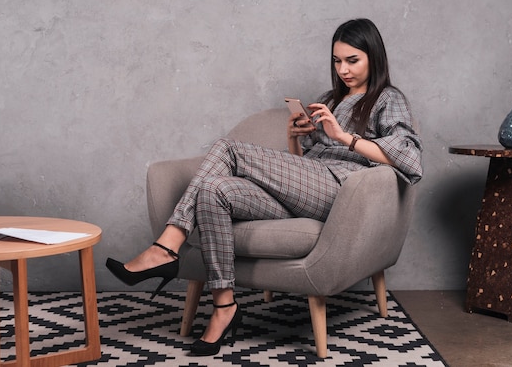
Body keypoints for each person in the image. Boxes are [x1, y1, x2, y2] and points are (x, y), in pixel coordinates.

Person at [106, 18, 423, 356]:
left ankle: (166, 247)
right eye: (337, 60)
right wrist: (295, 136)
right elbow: (303, 163)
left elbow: (409, 157)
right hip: (308, 185)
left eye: (352, 60)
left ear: (373, 57)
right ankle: (225, 308)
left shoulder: (388, 99)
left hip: (341, 191)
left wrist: (344, 137)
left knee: (227, 147)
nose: (343, 69)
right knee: (214, 190)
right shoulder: (329, 99)